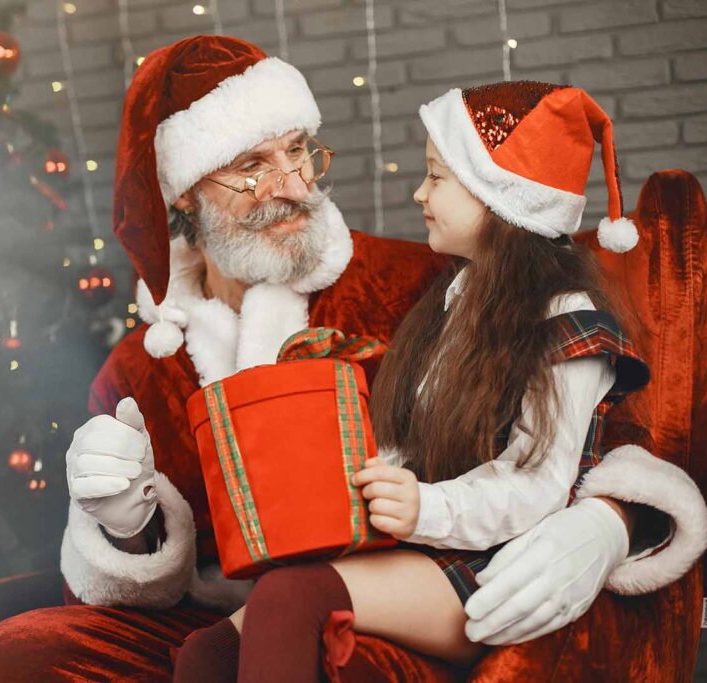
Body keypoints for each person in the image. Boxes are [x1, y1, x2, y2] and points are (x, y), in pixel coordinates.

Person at [0, 36, 707, 681]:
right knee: (33, 648)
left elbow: (604, 424)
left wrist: (610, 521)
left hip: (418, 579)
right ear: (185, 195)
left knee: (309, 628)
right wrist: (123, 527)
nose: (293, 184)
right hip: (247, 605)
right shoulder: (140, 370)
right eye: (253, 165)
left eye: (298, 150)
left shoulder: (419, 281)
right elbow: (132, 586)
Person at [172, 81, 658, 682]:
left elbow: (537, 484)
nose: (418, 191)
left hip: (495, 564)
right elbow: (418, 440)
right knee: (206, 653)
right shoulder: (456, 301)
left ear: (499, 197)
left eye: (437, 177)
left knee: (288, 599)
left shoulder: (566, 321)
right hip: (431, 542)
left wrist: (423, 506)